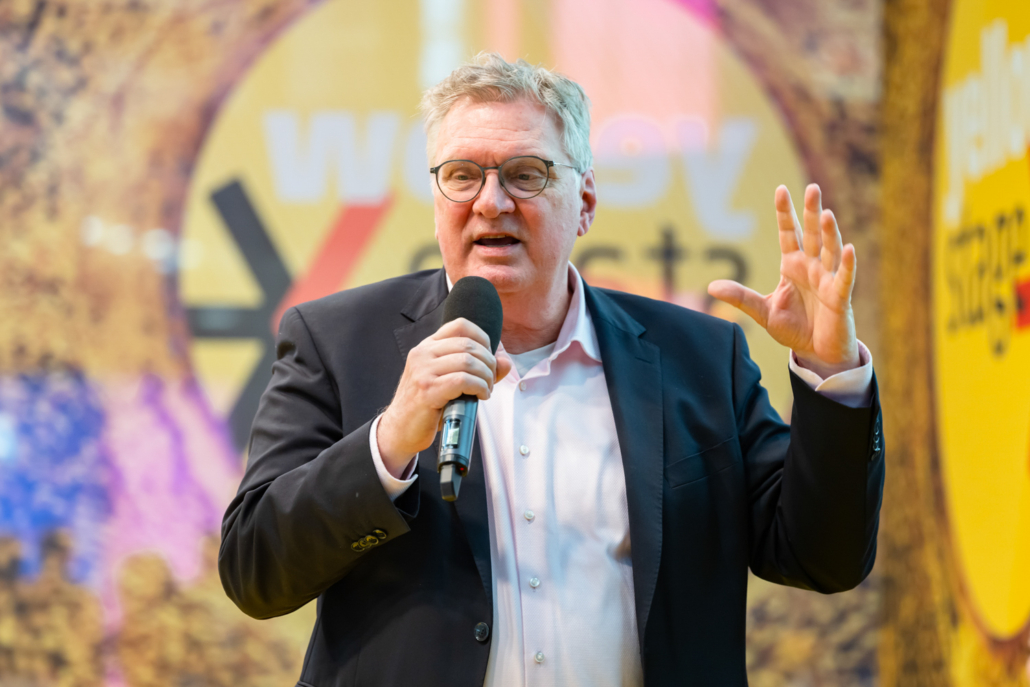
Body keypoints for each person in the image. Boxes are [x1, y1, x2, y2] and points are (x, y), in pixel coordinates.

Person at [218, 53, 883, 687]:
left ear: (585, 201)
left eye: (526, 173)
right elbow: (255, 571)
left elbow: (822, 557)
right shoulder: (335, 342)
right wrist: (389, 441)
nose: (491, 201)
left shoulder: (700, 358)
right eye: (462, 175)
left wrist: (830, 369)